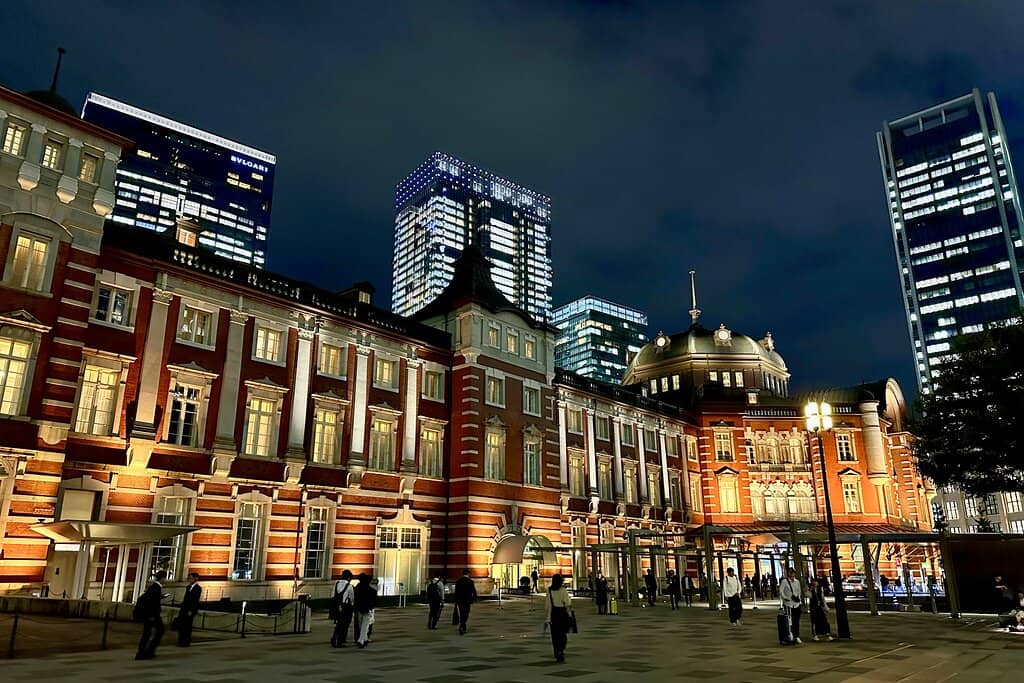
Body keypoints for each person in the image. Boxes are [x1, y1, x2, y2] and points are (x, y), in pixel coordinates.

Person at [134, 570, 166, 660]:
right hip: (152, 615)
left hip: (150, 614)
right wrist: (152, 615)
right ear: (162, 578)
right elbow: (152, 603)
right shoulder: (156, 587)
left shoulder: (153, 587)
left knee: (147, 633)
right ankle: (147, 651)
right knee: (156, 631)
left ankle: (144, 652)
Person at [545, 573, 575, 663]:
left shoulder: (549, 590)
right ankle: (561, 650)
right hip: (562, 614)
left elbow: (548, 606)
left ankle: (557, 652)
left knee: (555, 636)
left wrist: (547, 619)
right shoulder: (563, 590)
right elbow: (568, 603)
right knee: (562, 635)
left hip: (554, 615)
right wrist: (570, 615)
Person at [331, 569, 356, 647]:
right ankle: (339, 641)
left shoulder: (336, 583)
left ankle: (335, 638)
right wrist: (352, 606)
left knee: (339, 623)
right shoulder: (349, 586)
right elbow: (352, 598)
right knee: (345, 624)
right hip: (345, 607)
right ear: (349, 578)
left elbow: (332, 595)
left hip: (336, 606)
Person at [176, 572, 202, 647]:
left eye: (191, 578)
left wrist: (192, 610)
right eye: (189, 578)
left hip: (190, 610)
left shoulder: (198, 588)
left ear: (196, 578)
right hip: (184, 609)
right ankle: (181, 641)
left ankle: (186, 642)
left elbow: (195, 600)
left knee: (188, 626)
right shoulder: (188, 587)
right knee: (182, 626)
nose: (190, 580)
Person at [779, 567, 804, 644]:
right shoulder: (784, 582)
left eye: (793, 573)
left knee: (796, 621)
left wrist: (799, 599)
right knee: (789, 621)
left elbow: (799, 591)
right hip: (788, 604)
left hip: (796, 604)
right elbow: (781, 590)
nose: (792, 574)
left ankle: (796, 636)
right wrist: (785, 598)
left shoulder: (797, 581)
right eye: (790, 573)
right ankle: (790, 635)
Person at [353, 573, 377, 648]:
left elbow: (354, 599)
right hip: (367, 610)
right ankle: (361, 640)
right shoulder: (372, 590)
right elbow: (375, 602)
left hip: (358, 609)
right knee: (365, 626)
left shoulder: (357, 588)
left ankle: (364, 639)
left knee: (361, 625)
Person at [454, 569, 477, 635]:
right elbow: (474, 591)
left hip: (460, 600)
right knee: (466, 613)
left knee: (461, 613)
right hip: (467, 600)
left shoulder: (458, 581)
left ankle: (463, 626)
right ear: (468, 574)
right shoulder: (470, 581)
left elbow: (456, 591)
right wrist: (474, 599)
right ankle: (462, 625)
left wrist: (456, 600)